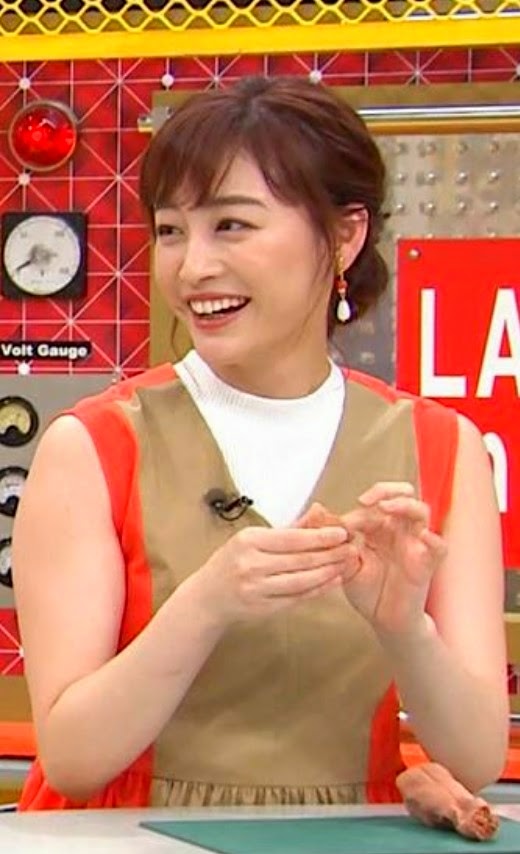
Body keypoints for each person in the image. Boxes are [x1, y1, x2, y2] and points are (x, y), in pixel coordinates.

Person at [12, 76, 508, 811]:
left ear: (344, 235)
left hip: (342, 835)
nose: (193, 267)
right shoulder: (93, 446)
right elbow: (73, 758)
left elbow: (476, 757)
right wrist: (207, 603)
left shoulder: (442, 448)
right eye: (171, 230)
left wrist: (406, 628)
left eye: (232, 225)